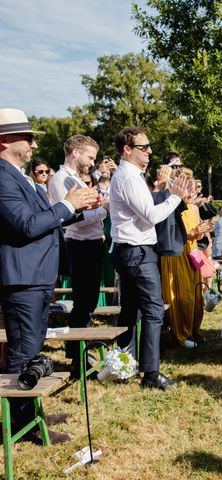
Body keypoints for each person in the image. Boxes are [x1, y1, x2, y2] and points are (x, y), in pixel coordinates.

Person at [0, 108, 98, 443]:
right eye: (26, 137)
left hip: (37, 276)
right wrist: (67, 205)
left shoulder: (17, 174)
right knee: (23, 353)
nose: (33, 143)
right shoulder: (1, 175)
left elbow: (45, 220)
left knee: (31, 351)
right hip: (22, 278)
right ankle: (19, 426)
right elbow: (26, 226)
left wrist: (75, 209)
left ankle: (29, 414)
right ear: (4, 141)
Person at [110, 127, 190, 390]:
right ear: (127, 149)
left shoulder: (131, 175)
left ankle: (123, 363)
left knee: (130, 311)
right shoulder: (130, 178)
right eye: (143, 147)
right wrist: (176, 197)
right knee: (154, 311)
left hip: (132, 250)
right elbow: (152, 216)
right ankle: (151, 373)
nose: (149, 151)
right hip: (137, 252)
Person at [48, 135, 107, 378]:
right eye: (90, 157)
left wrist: (97, 207)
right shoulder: (61, 179)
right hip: (79, 244)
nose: (92, 163)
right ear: (75, 152)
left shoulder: (77, 180)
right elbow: (73, 217)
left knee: (89, 301)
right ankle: (76, 357)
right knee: (83, 302)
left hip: (92, 244)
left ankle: (81, 349)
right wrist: (103, 210)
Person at [159, 167, 211, 348]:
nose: (190, 192)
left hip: (192, 255)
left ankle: (194, 330)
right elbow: (170, 234)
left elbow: (196, 234)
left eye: (192, 188)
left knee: (196, 295)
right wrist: (192, 233)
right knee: (181, 297)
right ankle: (180, 335)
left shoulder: (194, 209)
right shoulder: (170, 206)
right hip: (176, 256)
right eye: (186, 188)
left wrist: (202, 232)